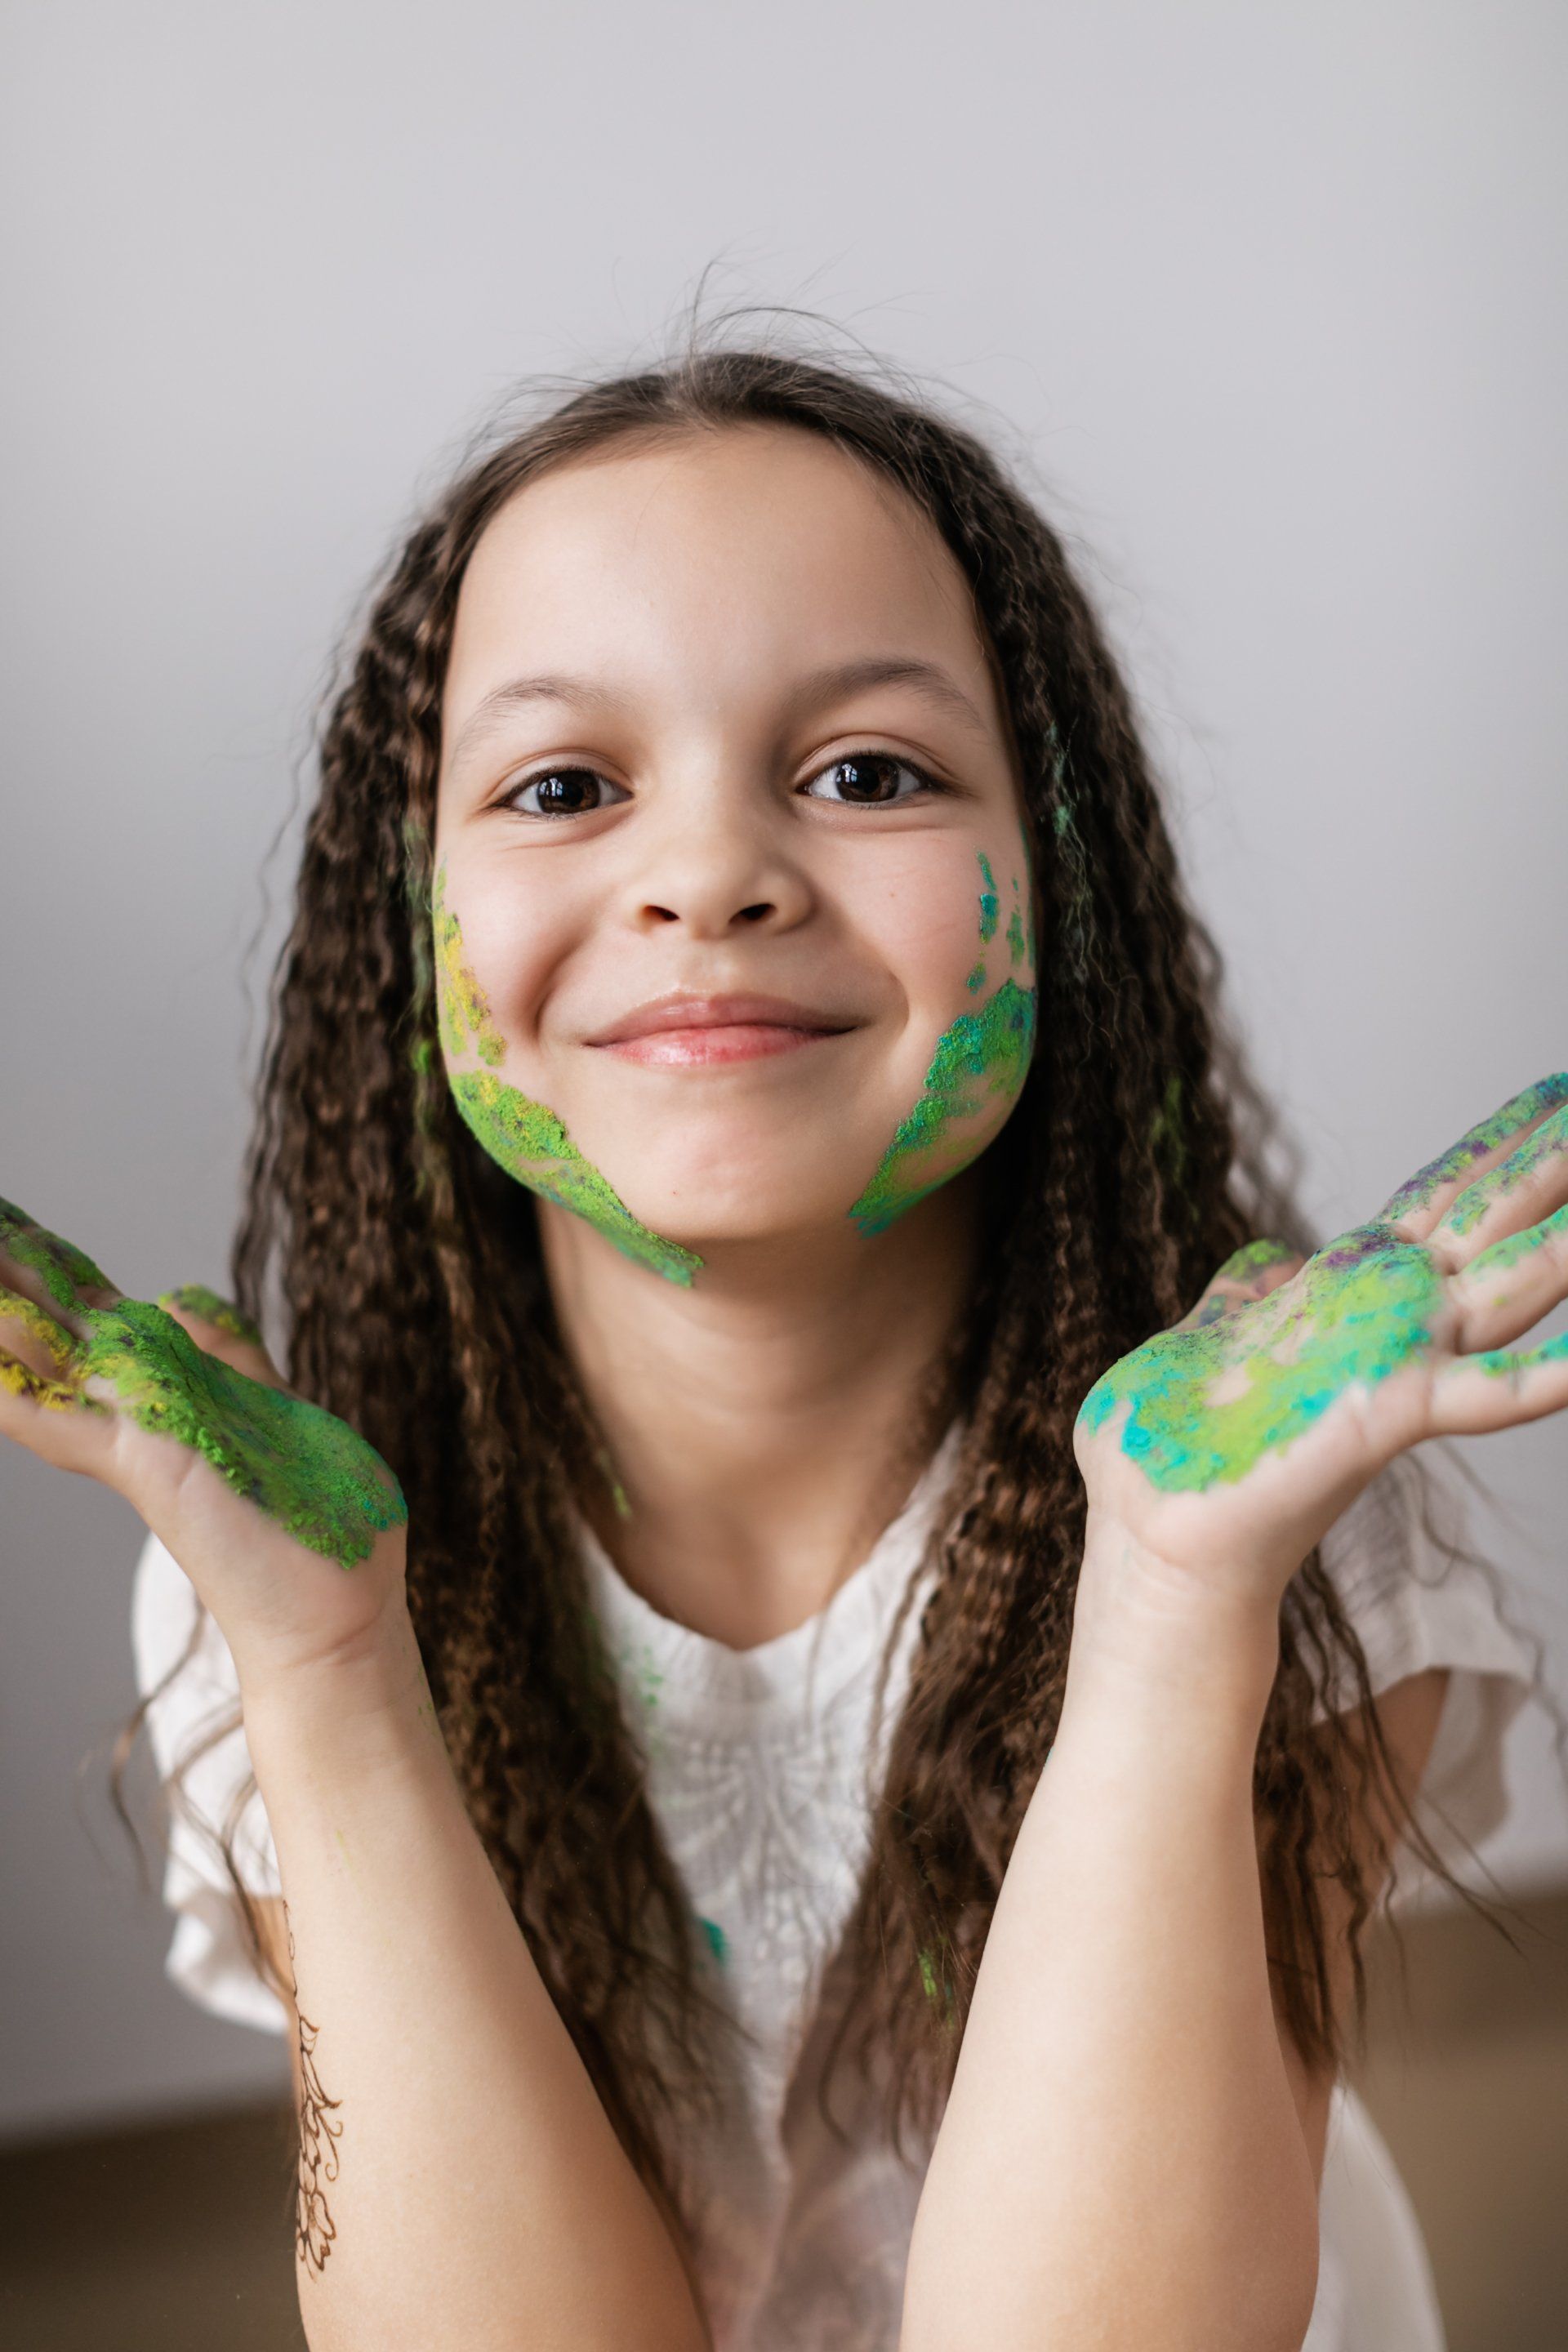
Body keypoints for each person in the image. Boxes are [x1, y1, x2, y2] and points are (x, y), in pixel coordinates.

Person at [2, 337, 1561, 2352]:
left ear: (1055, 881)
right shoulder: (283, 1556)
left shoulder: (1280, 1492)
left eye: (868, 773)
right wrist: (324, 1679)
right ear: (413, 921)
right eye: (566, 787)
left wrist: (1180, 1602)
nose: (712, 876)